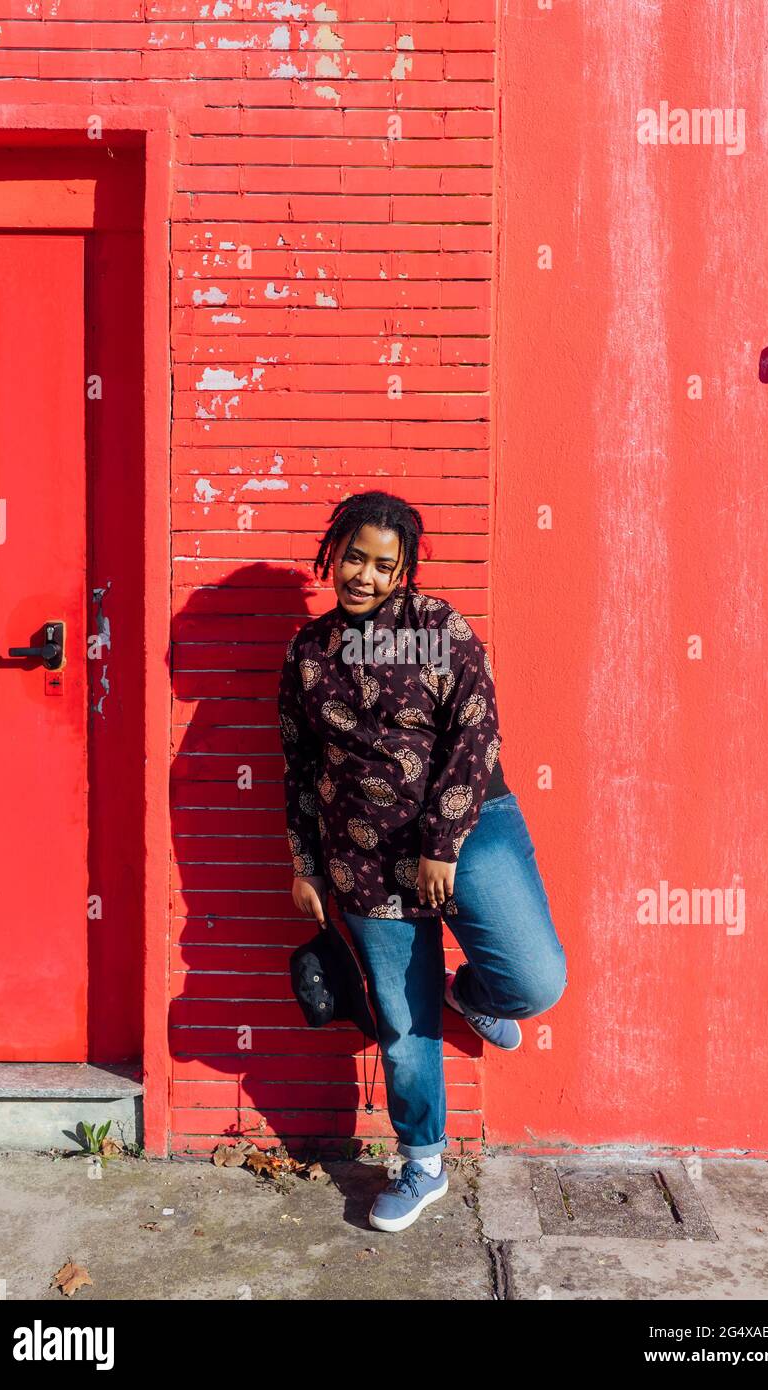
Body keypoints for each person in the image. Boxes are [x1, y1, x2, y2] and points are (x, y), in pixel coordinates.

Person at [278, 490, 567, 1232]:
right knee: (405, 1026)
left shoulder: (437, 628)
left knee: (535, 982)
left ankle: (473, 994)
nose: (365, 577)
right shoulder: (309, 653)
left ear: (404, 570)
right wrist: (306, 864)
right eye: (354, 558)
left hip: (470, 831)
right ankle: (423, 1163)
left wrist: (441, 843)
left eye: (384, 565)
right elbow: (299, 768)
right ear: (332, 554)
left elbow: (477, 733)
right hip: (363, 859)